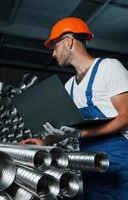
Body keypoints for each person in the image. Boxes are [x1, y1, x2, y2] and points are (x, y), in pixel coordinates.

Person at [43, 17, 128, 200]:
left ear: (69, 41)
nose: (53, 54)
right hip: (91, 166)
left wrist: (81, 134)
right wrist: (44, 142)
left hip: (121, 165)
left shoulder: (109, 68)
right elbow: (67, 129)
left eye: (55, 46)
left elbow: (126, 117)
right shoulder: (69, 87)